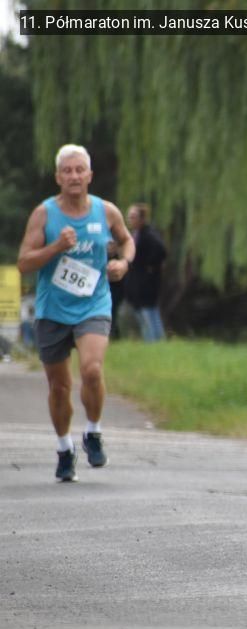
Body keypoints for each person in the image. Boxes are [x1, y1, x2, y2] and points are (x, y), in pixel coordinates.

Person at [16, 144, 134, 482]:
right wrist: (56, 247)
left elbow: (127, 241)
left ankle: (93, 431)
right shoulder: (44, 214)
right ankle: (64, 448)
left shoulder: (106, 211)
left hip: (93, 304)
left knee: (92, 370)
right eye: (67, 171)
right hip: (53, 309)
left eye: (79, 170)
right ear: (58, 177)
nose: (74, 176)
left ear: (89, 175)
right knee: (59, 387)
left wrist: (123, 263)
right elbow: (24, 262)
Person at [124, 203, 167, 342]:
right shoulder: (136, 234)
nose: (130, 220)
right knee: (145, 312)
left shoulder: (148, 234)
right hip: (138, 281)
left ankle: (154, 340)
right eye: (129, 217)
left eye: (133, 217)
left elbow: (161, 250)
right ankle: (155, 340)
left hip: (147, 283)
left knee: (148, 311)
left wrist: (150, 265)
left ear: (142, 219)